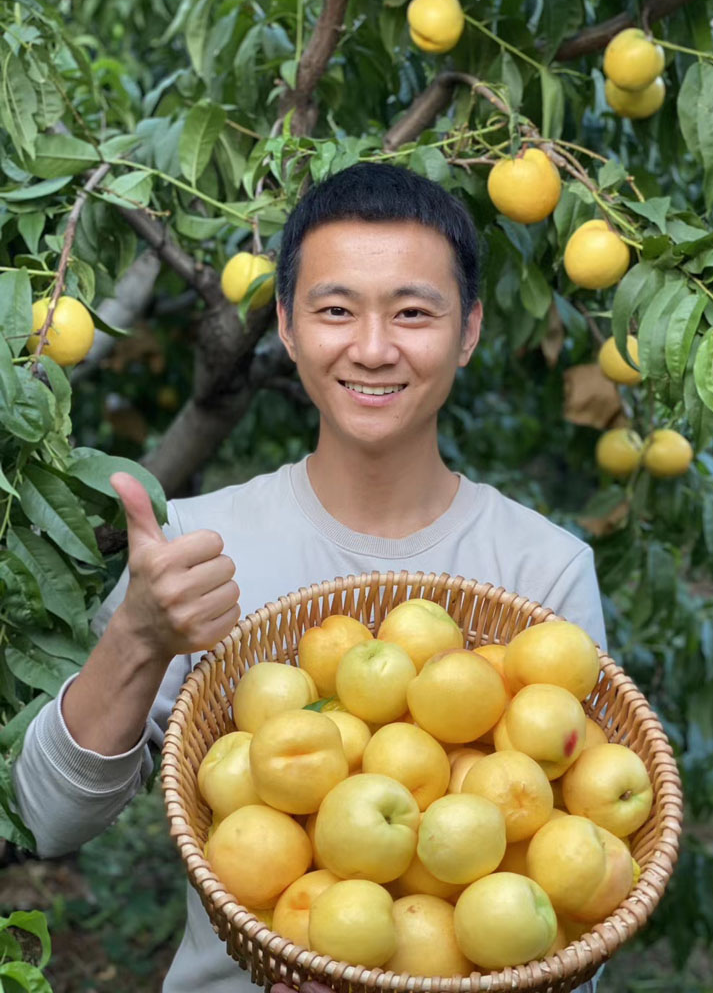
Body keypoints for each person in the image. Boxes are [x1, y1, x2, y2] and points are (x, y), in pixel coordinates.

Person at [13, 163, 607, 992]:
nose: (371, 347)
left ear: (468, 330)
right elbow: (48, 818)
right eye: (335, 310)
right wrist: (137, 637)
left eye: (412, 312)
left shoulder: (542, 571)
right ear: (287, 327)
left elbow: (577, 896)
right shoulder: (198, 547)